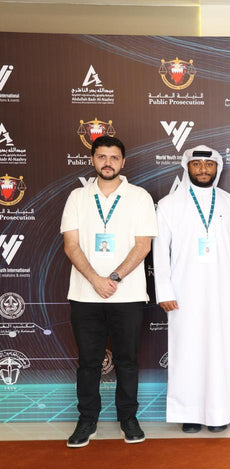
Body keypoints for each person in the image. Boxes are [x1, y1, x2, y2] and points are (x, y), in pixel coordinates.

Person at [60, 135, 157, 447]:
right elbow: (71, 245)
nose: (108, 163)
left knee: (127, 360)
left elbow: (143, 245)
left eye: (114, 157)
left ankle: (128, 418)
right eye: (101, 157)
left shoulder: (139, 197)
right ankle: (87, 420)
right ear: (92, 160)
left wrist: (113, 277)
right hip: (85, 294)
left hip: (127, 295)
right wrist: (95, 279)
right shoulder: (77, 197)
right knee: (88, 362)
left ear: (123, 162)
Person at [153, 145, 230, 434]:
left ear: (217, 168)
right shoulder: (169, 204)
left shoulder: (229, 203)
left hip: (224, 292)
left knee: (223, 350)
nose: (203, 170)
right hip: (184, 292)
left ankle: (221, 412)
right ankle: (190, 413)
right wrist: (164, 290)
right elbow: (160, 252)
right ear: (187, 168)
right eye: (197, 165)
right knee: (188, 351)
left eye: (209, 165)